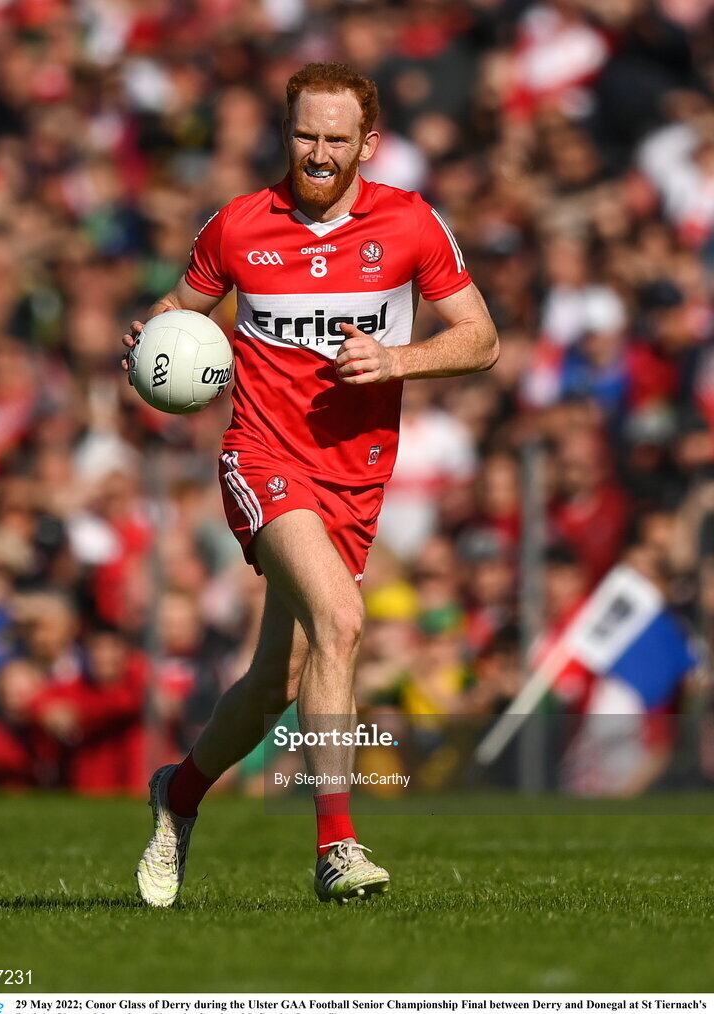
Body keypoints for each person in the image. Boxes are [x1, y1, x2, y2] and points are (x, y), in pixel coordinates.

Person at [121, 62, 498, 905]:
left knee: (275, 684)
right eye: (304, 134)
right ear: (283, 132)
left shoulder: (410, 224)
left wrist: (399, 358)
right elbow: (176, 316)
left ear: (368, 141)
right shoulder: (239, 226)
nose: (318, 152)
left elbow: (481, 339)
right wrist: (150, 346)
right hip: (262, 456)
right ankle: (337, 845)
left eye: (336, 138)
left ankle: (177, 794)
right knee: (343, 618)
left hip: (355, 478)